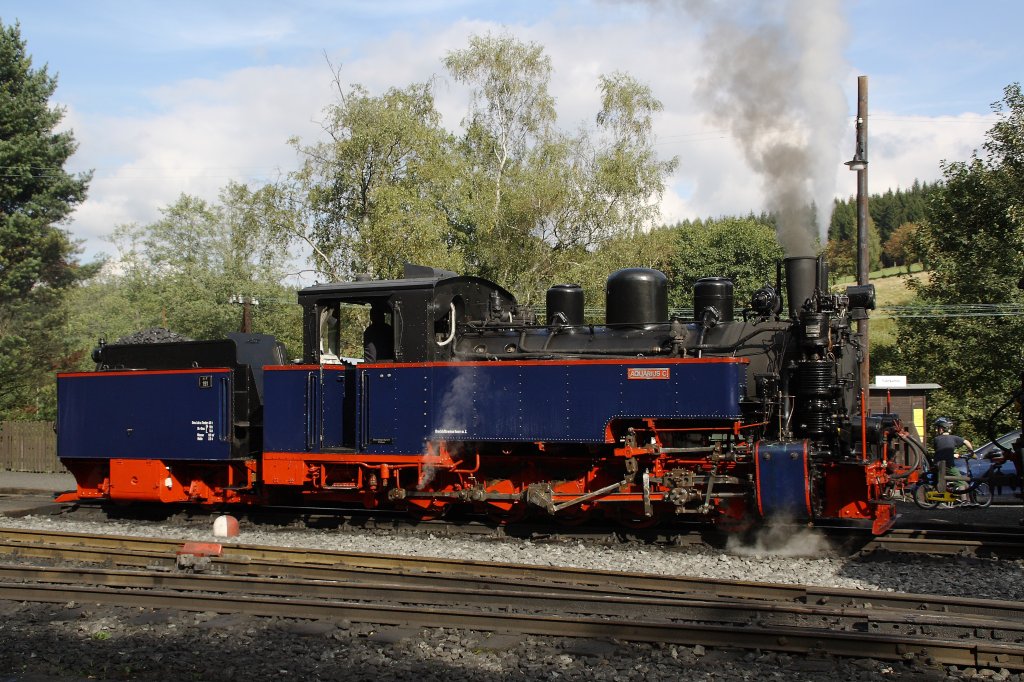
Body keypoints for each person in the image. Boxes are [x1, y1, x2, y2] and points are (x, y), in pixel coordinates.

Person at [932, 417, 973, 492]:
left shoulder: (936, 439)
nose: (936, 430)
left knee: (964, 483)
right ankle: (964, 501)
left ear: (941, 429)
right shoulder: (954, 438)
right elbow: (966, 442)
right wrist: (971, 451)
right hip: (949, 465)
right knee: (961, 482)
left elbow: (940, 451)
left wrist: (953, 455)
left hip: (937, 464)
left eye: (937, 428)